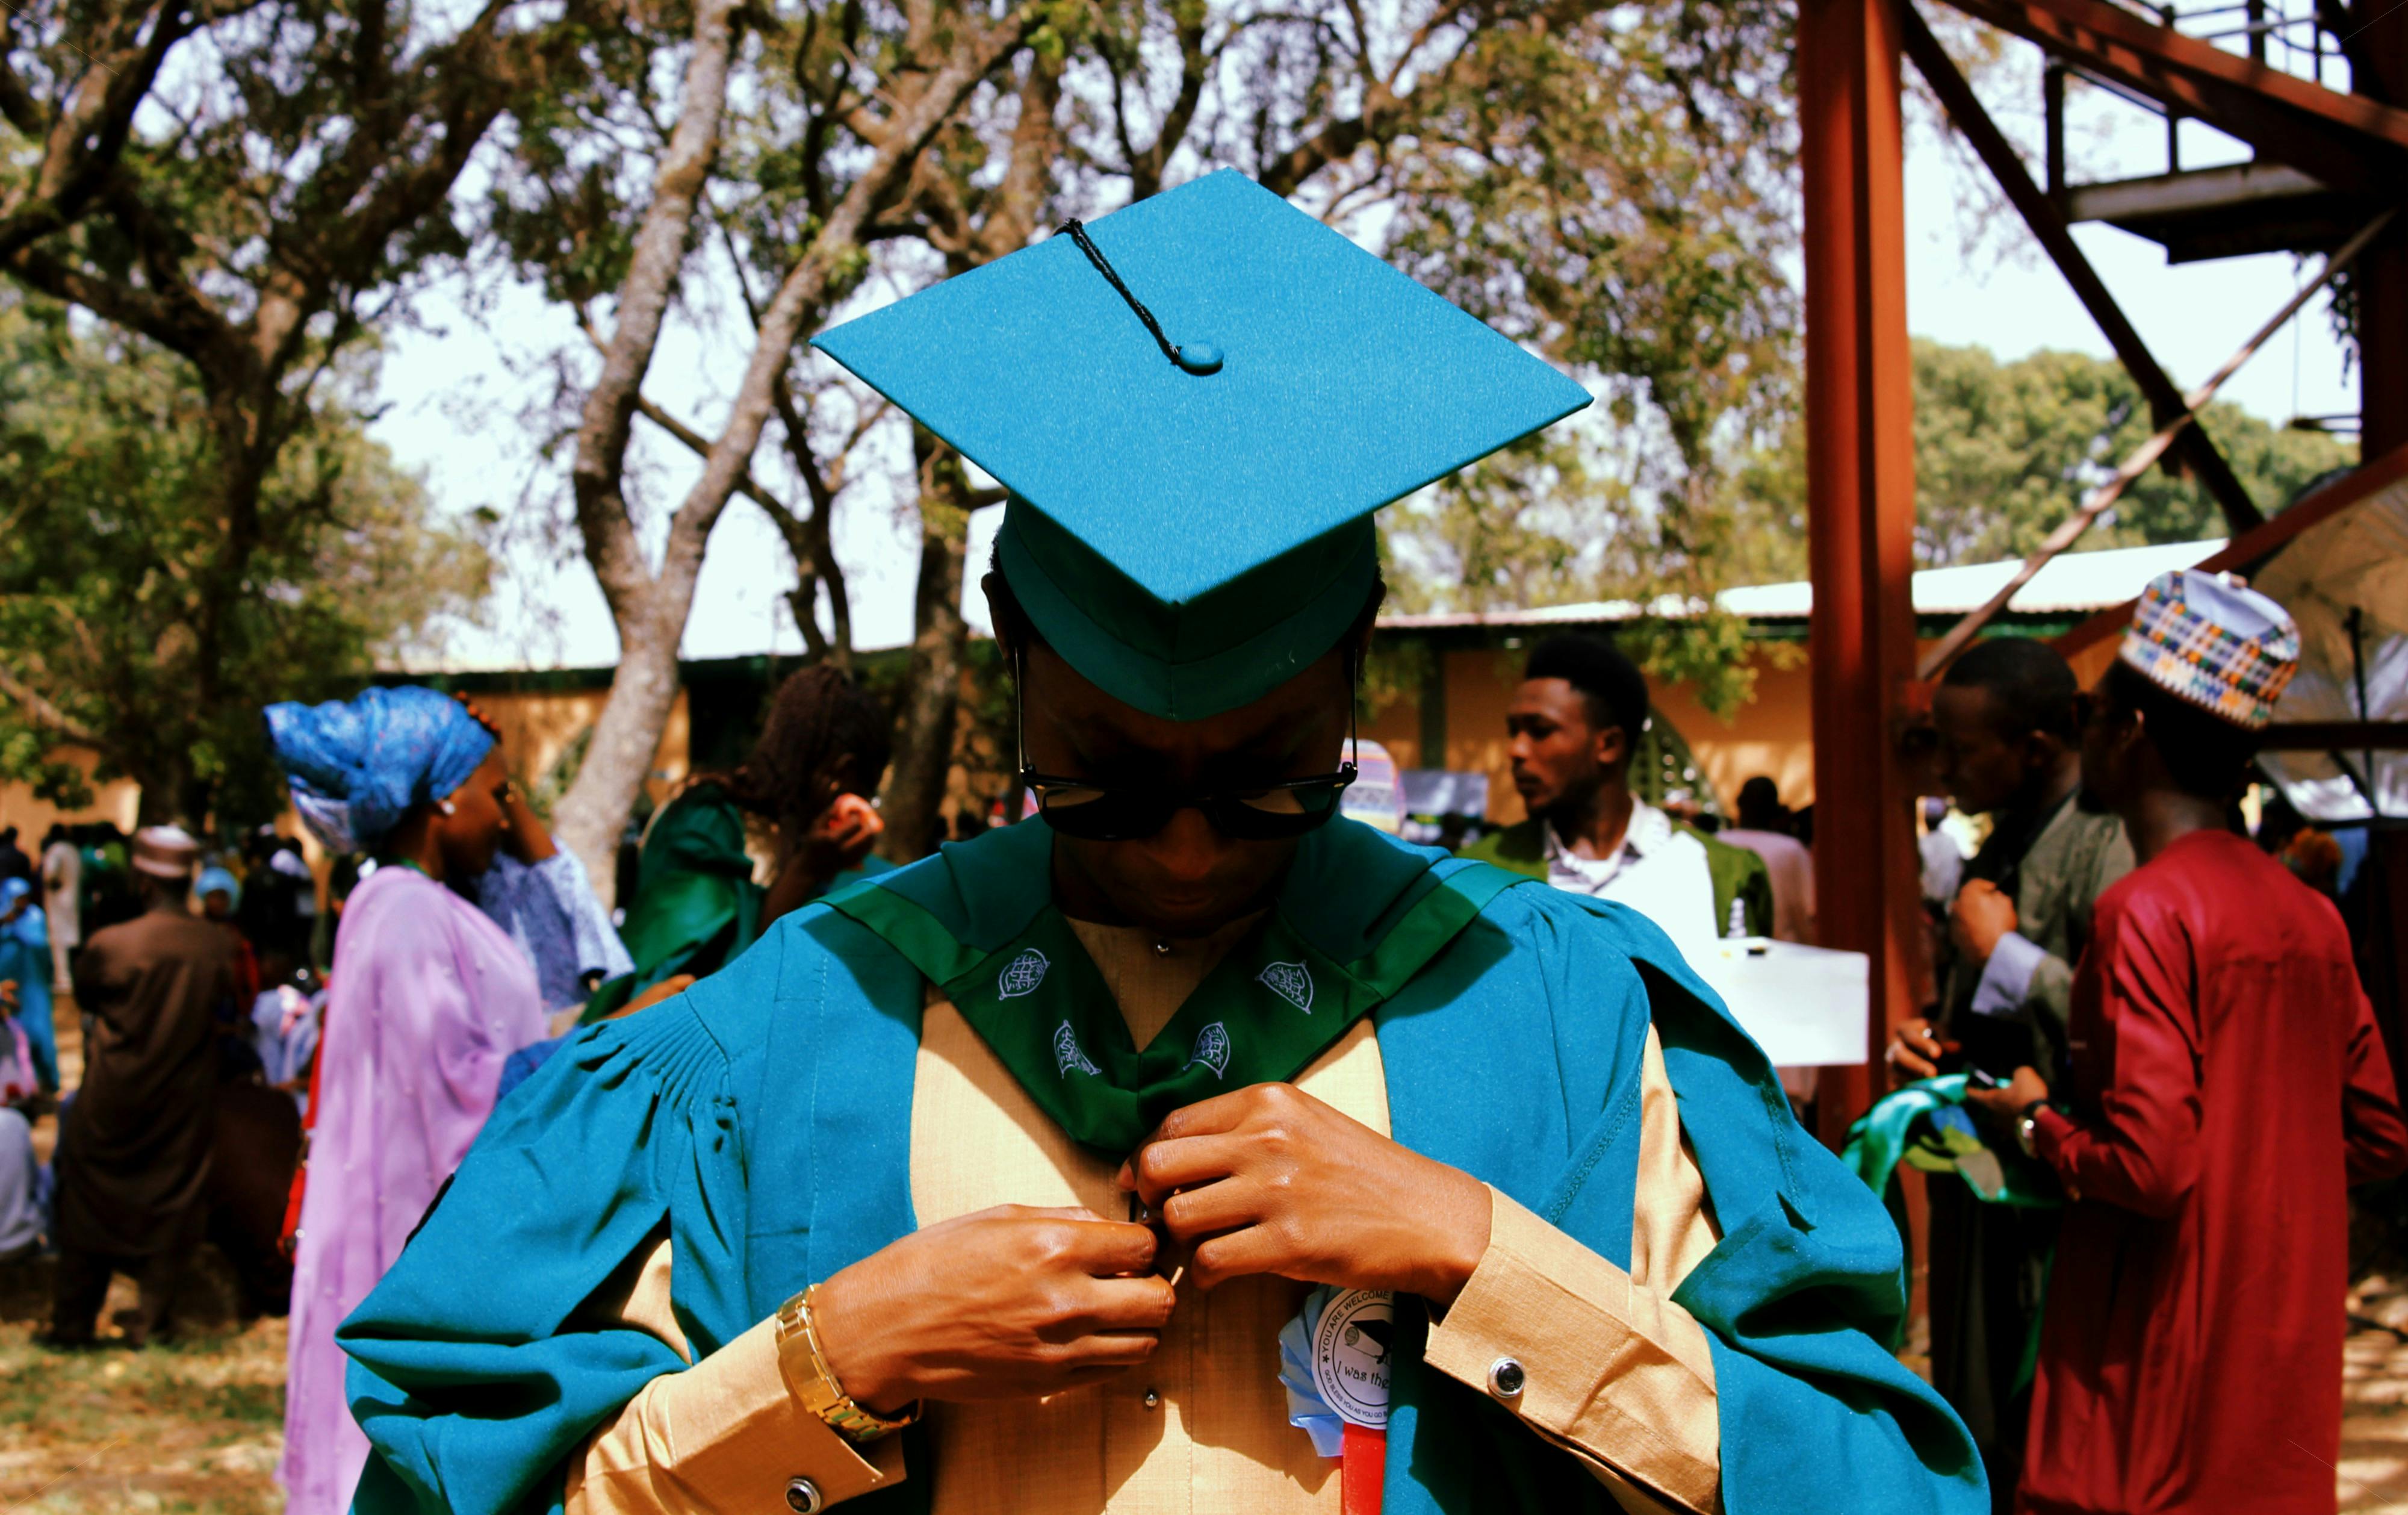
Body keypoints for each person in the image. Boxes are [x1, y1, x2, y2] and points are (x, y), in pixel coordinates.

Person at [339, 173, 1980, 1515]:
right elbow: (473, 1488)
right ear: (1008, 664)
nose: (1190, 854)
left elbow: (1863, 1488)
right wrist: (834, 1354)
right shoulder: (790, 1027)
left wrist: (1488, 1259)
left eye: (1272, 775)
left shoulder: (1562, 1013)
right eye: (1110, 780)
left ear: (1354, 670)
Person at [1965, 570, 2408, 1514]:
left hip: (2154, 1366)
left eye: (2091, 710)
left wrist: (2040, 1123)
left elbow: (2155, 1165)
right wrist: (2259, 1172)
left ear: (2129, 731)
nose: (2082, 730)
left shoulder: (2146, 911)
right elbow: (2379, 1136)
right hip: (2278, 1364)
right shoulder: (2308, 915)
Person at [265, 685, 552, 1515]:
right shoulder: (403, 914)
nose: (507, 818)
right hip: (414, 1245)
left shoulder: (427, 903)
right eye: (499, 795)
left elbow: (571, 957)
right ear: (445, 797)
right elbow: (460, 1101)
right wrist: (594, 1053)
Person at [1886, 636, 2133, 1506]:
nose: (1943, 771)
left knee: (2047, 1431)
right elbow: (1978, 1016)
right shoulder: (1998, 843)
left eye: (1961, 751)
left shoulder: (2109, 844)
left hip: (2066, 1200)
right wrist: (1929, 1043)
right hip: (1985, 1186)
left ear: (2033, 748)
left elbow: (2129, 1027)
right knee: (1981, 1424)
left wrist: (2009, 953)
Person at [579, 664, 894, 1021]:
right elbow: (715, 970)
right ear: (843, 772)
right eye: (868, 789)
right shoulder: (706, 820)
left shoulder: (808, 842)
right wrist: (806, 870)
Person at [44, 825, 240, 1348]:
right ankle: (151, 1321)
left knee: (86, 1205)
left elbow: (86, 998)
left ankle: (73, 1324)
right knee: (172, 1205)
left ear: (145, 883)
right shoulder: (215, 946)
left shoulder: (112, 946)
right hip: (183, 1102)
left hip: (113, 1097)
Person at [1461, 632, 1774, 954]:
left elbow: (1741, 999)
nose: (1516, 750)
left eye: (1540, 731)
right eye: (1514, 732)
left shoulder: (1716, 871)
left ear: (1608, 745)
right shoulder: (1478, 875)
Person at [1720, 776, 1816, 944]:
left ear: (1739, 802)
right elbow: (1810, 911)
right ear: (1775, 809)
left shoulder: (1715, 844)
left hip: (1732, 950)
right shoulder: (1791, 850)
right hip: (1782, 950)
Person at [0, 877, 56, 1095]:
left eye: (24, 898)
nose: (21, 903)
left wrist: (14, 928)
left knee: (40, 1036)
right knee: (12, 1041)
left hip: (35, 986)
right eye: (17, 899)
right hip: (10, 988)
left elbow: (40, 946)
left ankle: (48, 1084)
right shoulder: (3, 920)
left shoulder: (35, 917)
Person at [40, 823, 79, 995]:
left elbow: (49, 874)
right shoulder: (73, 850)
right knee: (71, 939)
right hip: (72, 901)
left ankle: (62, 978)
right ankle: (71, 976)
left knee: (59, 941)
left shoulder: (56, 851)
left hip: (58, 902)